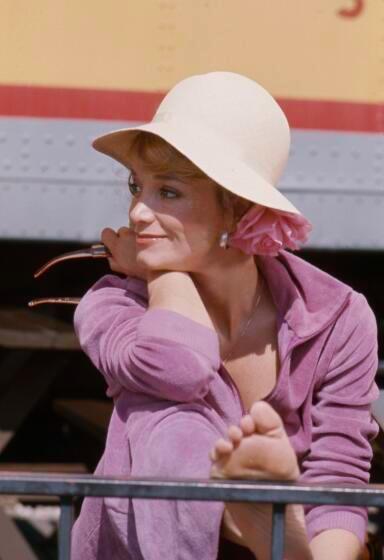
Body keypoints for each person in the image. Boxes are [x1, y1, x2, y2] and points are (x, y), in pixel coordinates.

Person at [70, 71, 379, 560]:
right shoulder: (111, 304)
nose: (136, 213)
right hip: (142, 549)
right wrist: (163, 278)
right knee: (167, 416)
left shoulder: (338, 316)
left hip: (305, 548)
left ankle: (279, 536)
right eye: (137, 186)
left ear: (238, 210)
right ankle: (249, 514)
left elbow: (340, 474)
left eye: (167, 192)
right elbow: (176, 363)